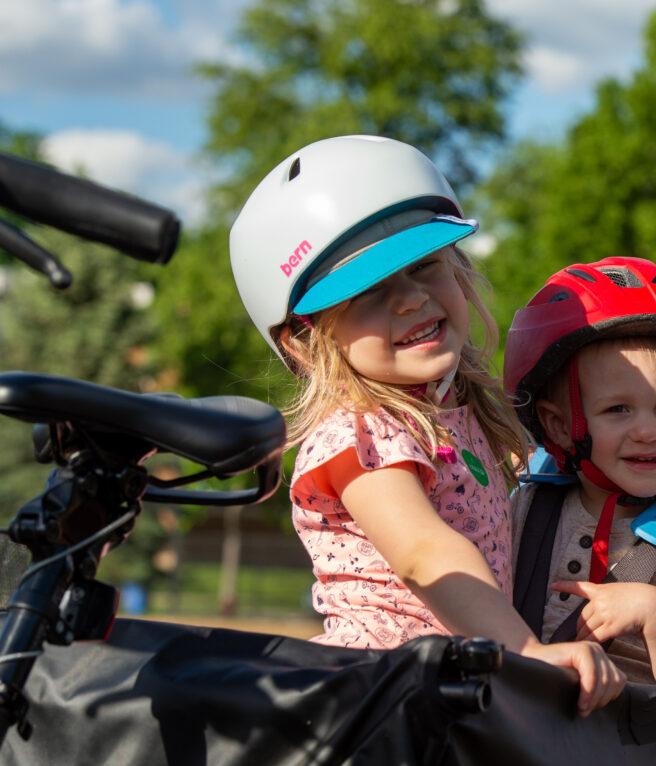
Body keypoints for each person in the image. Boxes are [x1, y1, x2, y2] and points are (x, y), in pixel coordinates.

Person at [228, 135, 623, 716]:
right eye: (368, 293)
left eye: (425, 266)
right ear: (307, 341)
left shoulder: (459, 417)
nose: (411, 299)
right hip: (380, 693)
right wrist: (524, 651)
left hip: (446, 683)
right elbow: (423, 551)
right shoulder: (359, 434)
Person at [503, 257, 656, 689]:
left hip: (630, 742)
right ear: (562, 426)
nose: (648, 431)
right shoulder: (524, 510)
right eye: (618, 409)